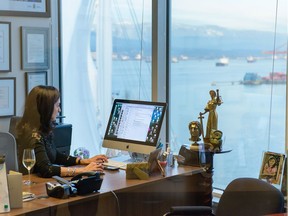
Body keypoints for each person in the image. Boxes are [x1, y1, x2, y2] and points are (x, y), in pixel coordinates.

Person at [16, 85, 108, 178]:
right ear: (46, 108)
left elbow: (55, 156)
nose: (59, 110)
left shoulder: (41, 130)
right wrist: (82, 170)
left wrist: (83, 161)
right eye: (57, 105)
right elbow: (46, 169)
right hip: (34, 187)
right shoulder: (34, 136)